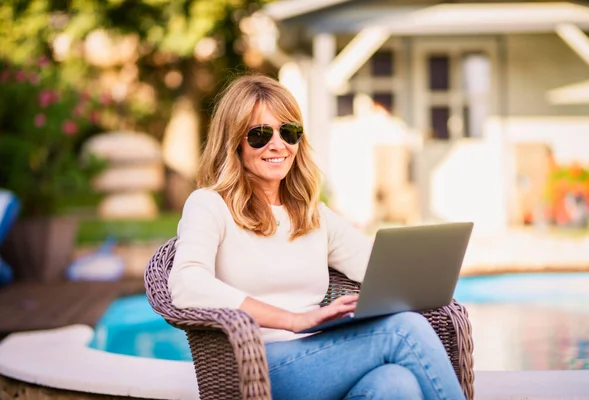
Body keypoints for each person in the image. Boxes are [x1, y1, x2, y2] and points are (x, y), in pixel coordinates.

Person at [168, 73, 466, 400]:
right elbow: (187, 284)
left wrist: (425, 273)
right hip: (257, 364)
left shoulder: (313, 214)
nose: (278, 145)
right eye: (260, 135)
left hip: (320, 357)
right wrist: (294, 320)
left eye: (289, 132)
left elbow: (376, 268)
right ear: (234, 141)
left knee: (396, 383)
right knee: (403, 330)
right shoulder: (209, 205)